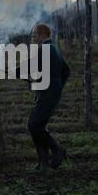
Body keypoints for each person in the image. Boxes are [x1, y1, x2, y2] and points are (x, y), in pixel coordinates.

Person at [23, 24, 70, 170]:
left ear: (42, 34)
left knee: (34, 124)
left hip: (48, 91)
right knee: (37, 125)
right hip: (49, 90)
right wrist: (57, 86)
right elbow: (66, 71)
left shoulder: (45, 49)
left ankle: (57, 150)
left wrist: (14, 71)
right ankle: (43, 162)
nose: (33, 37)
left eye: (34, 35)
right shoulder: (53, 48)